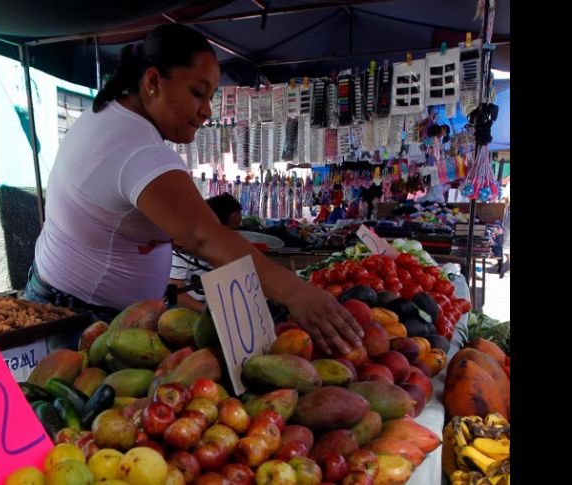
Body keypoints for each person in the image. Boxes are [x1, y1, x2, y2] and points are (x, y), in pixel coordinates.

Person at [25, 24, 362, 355]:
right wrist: (297, 293)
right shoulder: (137, 150)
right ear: (153, 81)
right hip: (81, 325)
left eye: (211, 97)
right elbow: (203, 236)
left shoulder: (107, 121)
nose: (206, 111)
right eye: (198, 94)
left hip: (62, 304)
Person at [169, 193, 242, 312]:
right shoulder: (181, 248)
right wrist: (208, 312)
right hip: (187, 309)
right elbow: (175, 295)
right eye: (238, 213)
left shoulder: (227, 246)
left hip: (215, 305)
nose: (240, 218)